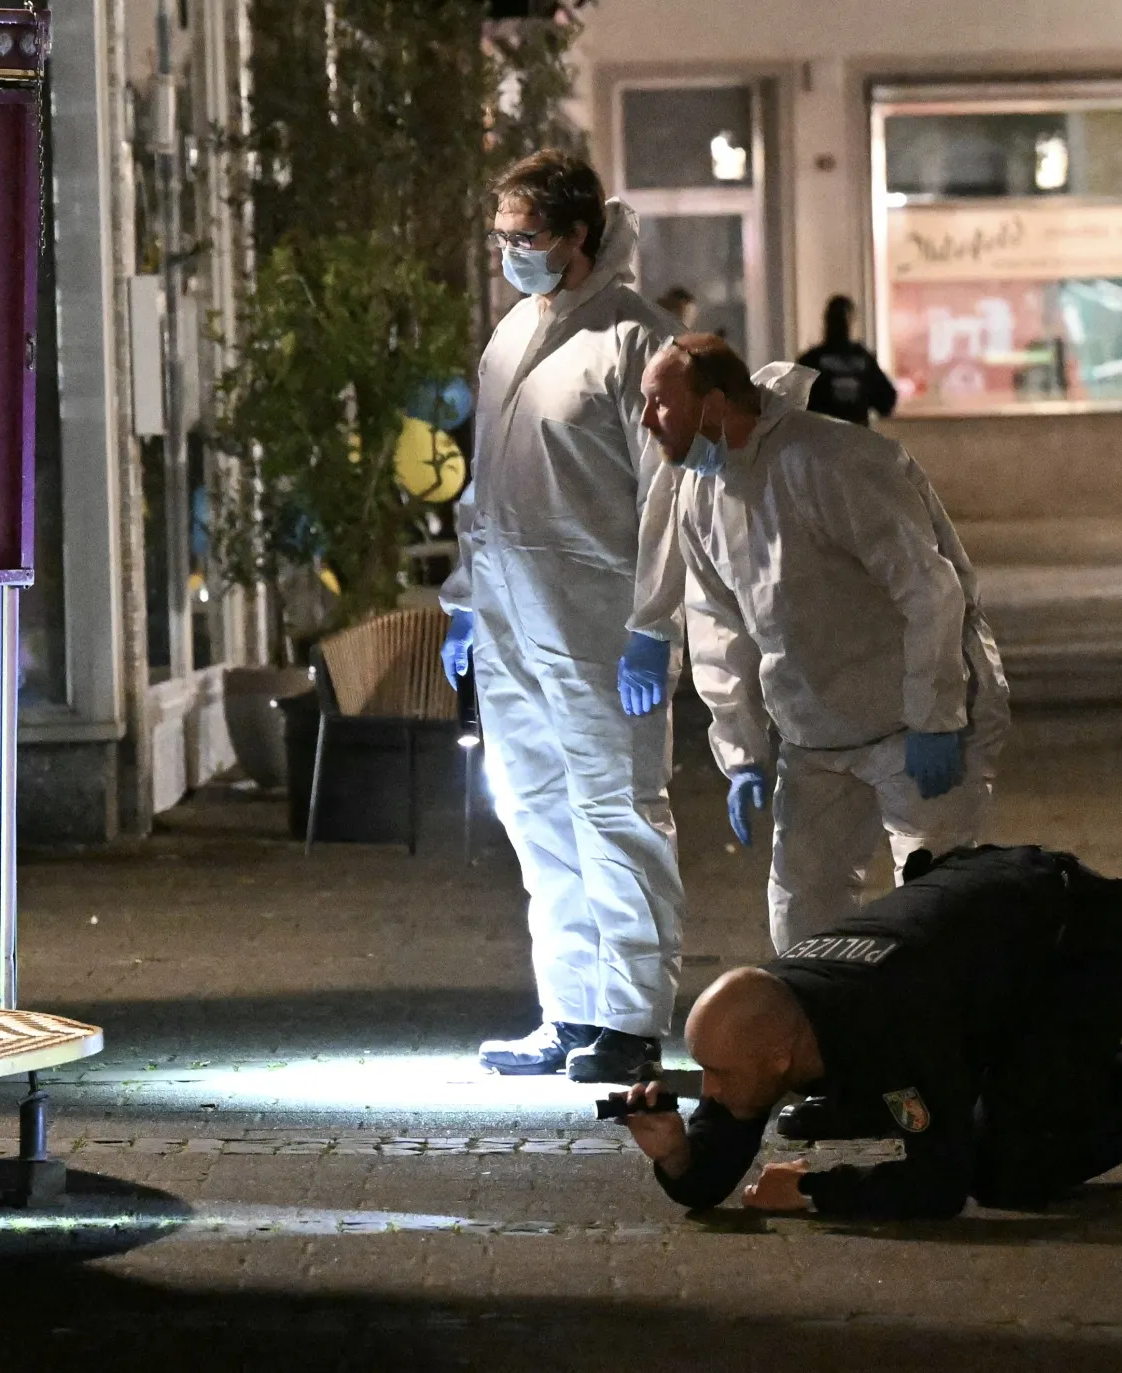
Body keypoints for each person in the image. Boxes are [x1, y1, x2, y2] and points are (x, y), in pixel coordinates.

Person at [640, 334, 1009, 954]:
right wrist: (743, 751)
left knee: (937, 907)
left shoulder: (831, 462)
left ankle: (947, 1044)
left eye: (660, 402)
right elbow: (719, 628)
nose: (648, 420)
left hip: (907, 726)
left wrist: (935, 714)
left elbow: (929, 590)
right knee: (803, 916)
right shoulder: (702, 496)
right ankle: (830, 1040)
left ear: (716, 400)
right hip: (816, 737)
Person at [440, 150, 684, 1085]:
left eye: (525, 238)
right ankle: (571, 1007)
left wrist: (653, 622)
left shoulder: (635, 343)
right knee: (539, 815)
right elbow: (486, 484)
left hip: (595, 620)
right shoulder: (510, 337)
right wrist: (465, 603)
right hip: (509, 621)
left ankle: (630, 1016)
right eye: (500, 238)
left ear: (578, 236)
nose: (510, 254)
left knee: (617, 811)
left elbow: (669, 498)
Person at [612, 845, 1122, 1219]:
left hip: (1071, 940)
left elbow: (941, 1184)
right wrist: (679, 1158)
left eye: (718, 1075)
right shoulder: (773, 1015)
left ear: (778, 1059)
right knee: (978, 1112)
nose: (706, 1090)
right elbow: (723, 1142)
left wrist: (818, 1191)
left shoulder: (888, 1029)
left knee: (1009, 1172)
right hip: (982, 938)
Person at [796, 295, 897, 426]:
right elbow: (886, 402)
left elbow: (886, 400)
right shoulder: (811, 360)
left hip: (838, 437)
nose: (841, 324)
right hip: (832, 437)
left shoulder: (811, 360)